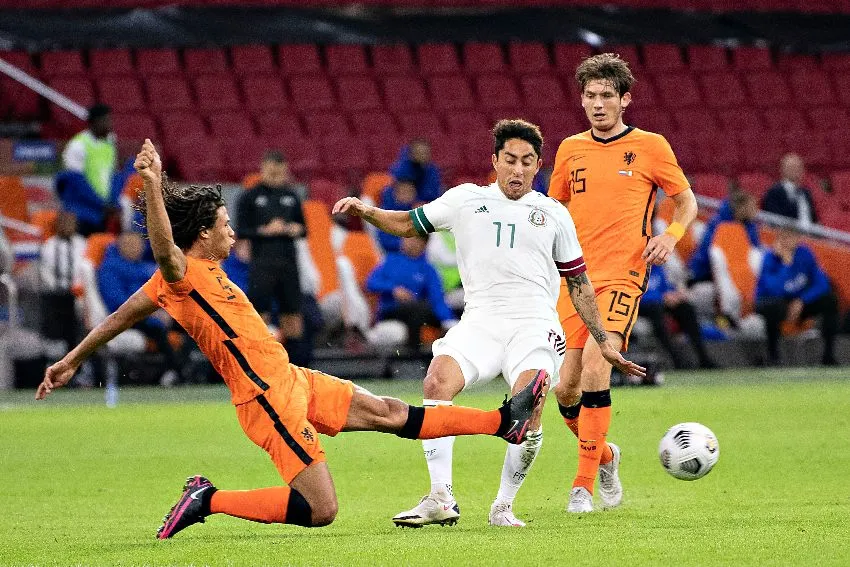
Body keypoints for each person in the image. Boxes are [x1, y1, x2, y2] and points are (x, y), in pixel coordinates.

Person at [36, 139, 548, 539]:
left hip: (291, 379)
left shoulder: (192, 273)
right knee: (320, 510)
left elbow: (120, 316)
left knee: (391, 412)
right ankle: (208, 498)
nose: (233, 234)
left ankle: (503, 421)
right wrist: (149, 183)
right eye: (225, 225)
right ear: (203, 236)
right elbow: (166, 248)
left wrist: (72, 358)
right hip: (265, 399)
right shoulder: (179, 273)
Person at [334, 119, 644, 528]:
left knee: (527, 406)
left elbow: (579, 283)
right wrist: (367, 210)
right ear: (494, 161)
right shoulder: (465, 200)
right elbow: (410, 223)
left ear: (538, 166)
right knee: (436, 383)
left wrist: (602, 339)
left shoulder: (553, 213)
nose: (518, 170)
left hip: (535, 325)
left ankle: (503, 506)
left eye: (527, 162)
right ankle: (440, 497)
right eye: (510, 160)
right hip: (480, 321)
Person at [548, 53, 698, 513]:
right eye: (590, 96)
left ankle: (582, 487)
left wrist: (670, 236)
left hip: (622, 276)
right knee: (565, 390)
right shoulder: (570, 149)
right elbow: (553, 212)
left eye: (606, 96)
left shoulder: (651, 146)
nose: (597, 104)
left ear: (625, 99)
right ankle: (607, 455)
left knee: (598, 366)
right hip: (573, 281)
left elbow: (685, 200)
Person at [236, 150, 309, 365]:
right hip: (262, 264)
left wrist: (293, 228)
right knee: (260, 316)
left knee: (293, 317)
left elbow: (304, 229)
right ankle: (260, 366)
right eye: (272, 171)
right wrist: (265, 230)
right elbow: (241, 230)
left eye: (280, 172)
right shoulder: (249, 196)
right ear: (263, 169)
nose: (276, 176)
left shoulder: (292, 196)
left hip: (288, 264)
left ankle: (298, 367)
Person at [97, 231, 183, 386]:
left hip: (154, 312)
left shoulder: (147, 267)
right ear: (120, 246)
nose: (135, 248)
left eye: (138, 244)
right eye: (130, 245)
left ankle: (194, 368)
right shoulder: (110, 268)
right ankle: (174, 371)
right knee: (157, 329)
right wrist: (152, 311)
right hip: (126, 316)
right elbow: (116, 300)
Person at [755, 227, 839, 366]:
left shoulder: (804, 254)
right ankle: (773, 356)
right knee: (774, 307)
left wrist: (802, 300)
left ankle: (828, 356)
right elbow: (774, 289)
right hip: (773, 302)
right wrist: (786, 264)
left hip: (798, 301)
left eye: (791, 237)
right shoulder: (770, 258)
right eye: (784, 238)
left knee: (830, 300)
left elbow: (822, 283)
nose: (788, 242)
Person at [366, 234, 456, 349]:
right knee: (418, 309)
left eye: (413, 239)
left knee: (424, 309)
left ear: (423, 244)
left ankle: (423, 353)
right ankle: (414, 352)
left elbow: (437, 299)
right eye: (406, 238)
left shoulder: (428, 269)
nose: (408, 242)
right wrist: (393, 289)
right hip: (391, 310)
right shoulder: (391, 261)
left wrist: (448, 320)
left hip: (417, 313)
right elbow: (371, 282)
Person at [687, 191, 761, 324]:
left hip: (738, 272)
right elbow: (707, 256)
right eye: (752, 207)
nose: (756, 211)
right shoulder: (717, 225)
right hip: (707, 274)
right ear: (741, 208)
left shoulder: (750, 227)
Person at [57, 104, 122, 236]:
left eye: (110, 120)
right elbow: (78, 183)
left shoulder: (110, 141)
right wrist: (102, 204)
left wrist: (113, 202)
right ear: (94, 123)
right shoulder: (77, 145)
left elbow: (114, 174)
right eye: (106, 121)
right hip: (82, 211)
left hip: (103, 212)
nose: (110, 125)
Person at [639, 264, 717, 369]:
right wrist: (662, 297)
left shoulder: (656, 267)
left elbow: (665, 287)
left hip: (659, 302)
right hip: (640, 305)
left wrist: (675, 295)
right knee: (656, 311)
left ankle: (703, 358)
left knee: (686, 308)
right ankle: (678, 360)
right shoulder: (632, 265)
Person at [39, 211, 87, 354]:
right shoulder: (49, 245)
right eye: (63, 223)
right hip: (55, 292)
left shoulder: (82, 243)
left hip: (77, 292)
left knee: (78, 311)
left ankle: (78, 354)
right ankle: (53, 353)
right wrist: (56, 288)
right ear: (57, 225)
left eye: (70, 223)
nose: (67, 226)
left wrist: (76, 288)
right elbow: (45, 271)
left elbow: (85, 270)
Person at [761, 153, 818, 228]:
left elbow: (813, 219)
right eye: (792, 167)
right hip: (789, 236)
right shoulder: (773, 193)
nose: (796, 171)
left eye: (799, 167)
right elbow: (774, 220)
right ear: (782, 170)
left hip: (811, 236)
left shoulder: (806, 193)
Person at [389, 139, 441, 203]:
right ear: (411, 154)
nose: (422, 156)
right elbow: (403, 197)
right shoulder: (402, 171)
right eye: (418, 152)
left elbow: (434, 193)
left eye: (425, 152)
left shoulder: (433, 171)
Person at [377, 175, 418, 253]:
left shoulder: (416, 212)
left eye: (410, 192)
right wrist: (401, 243)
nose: (406, 196)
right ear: (396, 193)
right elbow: (382, 239)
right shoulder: (384, 213)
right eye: (403, 192)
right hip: (392, 255)